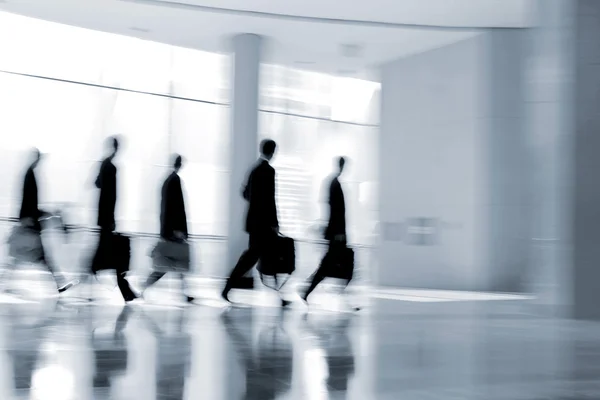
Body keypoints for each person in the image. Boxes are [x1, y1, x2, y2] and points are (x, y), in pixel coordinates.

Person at [221, 139, 287, 305]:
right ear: (272, 152)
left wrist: (255, 202)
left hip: (254, 222)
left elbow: (244, 193)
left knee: (256, 257)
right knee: (262, 257)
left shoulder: (254, 169)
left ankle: (229, 286)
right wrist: (275, 222)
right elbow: (271, 199)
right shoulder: (269, 171)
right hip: (264, 224)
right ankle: (229, 286)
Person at [5, 148, 77, 294]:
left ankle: (59, 283)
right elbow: (29, 200)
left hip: (28, 222)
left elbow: (27, 200)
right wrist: (34, 216)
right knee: (39, 258)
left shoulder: (29, 174)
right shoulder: (30, 175)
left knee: (19, 259)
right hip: (29, 223)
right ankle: (59, 283)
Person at [301, 157, 356, 308]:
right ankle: (307, 290)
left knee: (328, 266)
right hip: (336, 233)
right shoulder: (335, 184)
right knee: (331, 265)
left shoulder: (333, 182)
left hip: (335, 232)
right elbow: (336, 210)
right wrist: (339, 231)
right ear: (341, 166)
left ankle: (306, 290)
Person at [142, 154, 195, 303]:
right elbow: (177, 208)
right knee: (174, 264)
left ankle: (184, 293)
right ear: (180, 164)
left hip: (168, 230)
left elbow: (166, 208)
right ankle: (145, 287)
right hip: (173, 231)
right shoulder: (174, 181)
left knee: (174, 264)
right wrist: (178, 230)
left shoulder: (167, 181)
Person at [90, 136, 137, 302]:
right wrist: (110, 218)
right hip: (107, 217)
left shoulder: (104, 164)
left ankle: (126, 291)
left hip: (103, 216)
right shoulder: (111, 167)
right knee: (111, 253)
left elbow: (97, 184)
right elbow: (111, 195)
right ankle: (125, 291)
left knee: (106, 252)